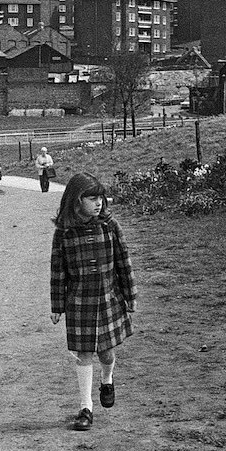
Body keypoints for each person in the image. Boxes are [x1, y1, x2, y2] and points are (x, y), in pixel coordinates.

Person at [49, 172, 137, 431]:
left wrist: (130, 295)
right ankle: (85, 407)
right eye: (91, 198)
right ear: (76, 202)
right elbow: (58, 271)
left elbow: (124, 262)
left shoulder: (110, 227)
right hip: (79, 302)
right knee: (83, 354)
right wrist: (57, 305)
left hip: (108, 298)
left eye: (100, 197)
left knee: (106, 353)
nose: (98, 203)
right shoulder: (64, 233)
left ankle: (107, 379)